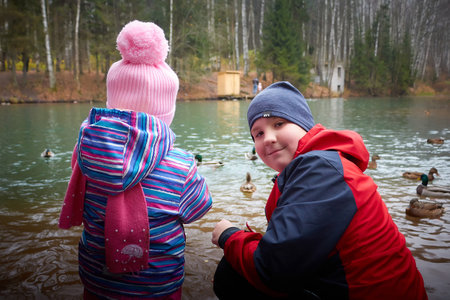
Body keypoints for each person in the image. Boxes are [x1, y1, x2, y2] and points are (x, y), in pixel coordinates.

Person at [211, 81, 427, 299]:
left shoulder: (321, 170)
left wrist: (228, 236)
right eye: (258, 133)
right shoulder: (321, 164)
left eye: (278, 124)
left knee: (232, 273)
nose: (268, 138)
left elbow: (272, 269)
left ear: (304, 126)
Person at [59, 20, 212, 299]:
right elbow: (198, 210)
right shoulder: (181, 166)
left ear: (111, 103)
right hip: (159, 288)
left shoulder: (85, 157)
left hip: (97, 284)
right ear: (167, 110)